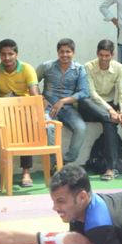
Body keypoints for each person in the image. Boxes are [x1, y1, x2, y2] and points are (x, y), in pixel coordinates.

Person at [0, 38, 40, 187]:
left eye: (10, 54)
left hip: (24, 109)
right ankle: (13, 126)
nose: (7, 58)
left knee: (25, 127)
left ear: (16, 54)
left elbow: (34, 95)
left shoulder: (27, 68)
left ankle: (26, 172)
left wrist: (36, 114)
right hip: (5, 110)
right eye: (3, 54)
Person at [81, 39, 122, 181]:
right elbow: (92, 93)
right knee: (85, 101)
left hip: (110, 109)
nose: (104, 59)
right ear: (97, 53)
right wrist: (111, 110)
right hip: (91, 106)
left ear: (112, 55)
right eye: (101, 55)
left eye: (107, 56)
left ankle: (110, 168)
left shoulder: (119, 68)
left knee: (109, 122)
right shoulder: (88, 67)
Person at [36, 38, 90, 166]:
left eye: (68, 52)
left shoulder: (79, 69)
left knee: (81, 128)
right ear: (57, 52)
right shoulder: (46, 66)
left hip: (67, 108)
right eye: (62, 52)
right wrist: (41, 99)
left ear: (73, 53)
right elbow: (32, 83)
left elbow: (84, 92)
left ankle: (66, 160)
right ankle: (54, 163)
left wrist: (63, 101)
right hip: (48, 107)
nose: (65, 55)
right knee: (49, 127)